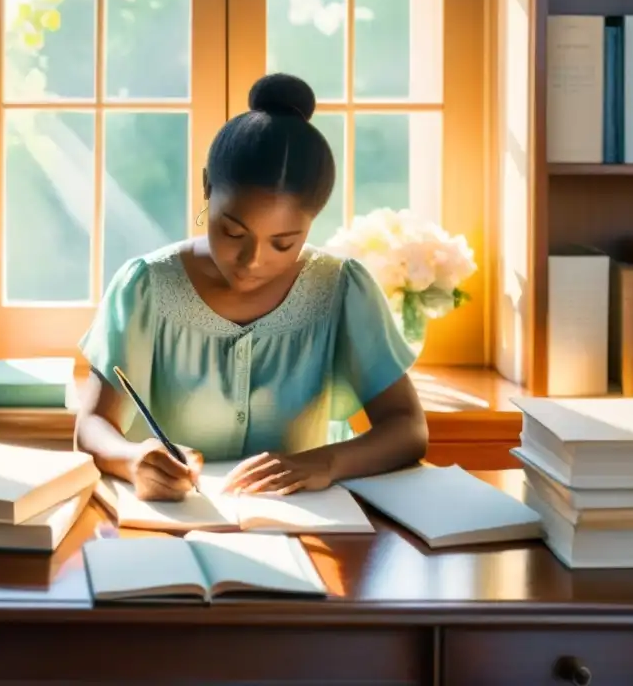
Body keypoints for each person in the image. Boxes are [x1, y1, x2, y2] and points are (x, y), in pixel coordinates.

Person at [75, 73, 427, 501]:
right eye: (233, 233)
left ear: (313, 221)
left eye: (284, 243)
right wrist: (132, 459)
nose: (253, 261)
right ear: (207, 188)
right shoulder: (146, 287)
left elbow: (407, 427)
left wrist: (323, 463)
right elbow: (91, 425)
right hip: (167, 530)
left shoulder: (341, 289)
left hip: (307, 532)